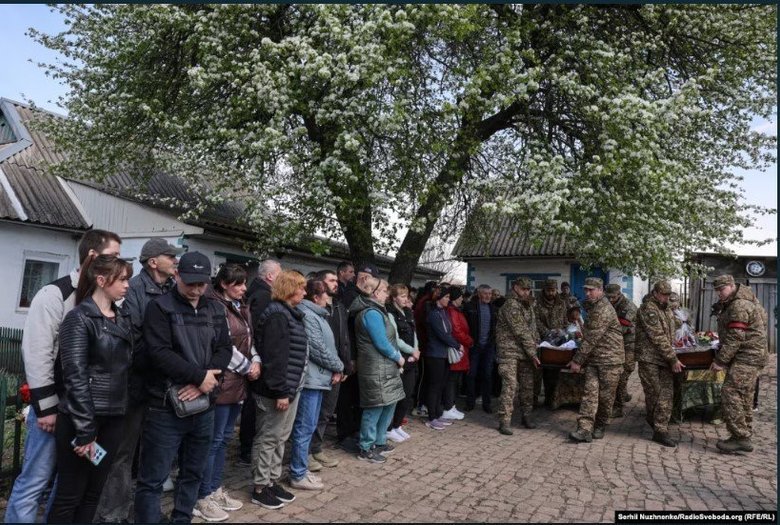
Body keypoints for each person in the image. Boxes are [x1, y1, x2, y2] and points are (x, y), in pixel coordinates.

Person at [6, 229, 121, 524]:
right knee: (36, 479)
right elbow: (37, 352)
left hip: (81, 413)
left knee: (66, 484)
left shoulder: (108, 303)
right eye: (114, 257)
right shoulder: (54, 294)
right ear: (93, 257)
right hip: (55, 410)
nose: (120, 266)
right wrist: (46, 407)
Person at [134, 252, 232, 523]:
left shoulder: (214, 309)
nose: (196, 290)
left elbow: (224, 348)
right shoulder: (160, 308)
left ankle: (182, 518)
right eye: (191, 283)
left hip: (204, 405)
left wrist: (204, 383)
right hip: (166, 406)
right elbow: (159, 352)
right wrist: (199, 377)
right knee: (153, 477)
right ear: (177, 275)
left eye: (202, 284)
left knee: (193, 472)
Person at [95, 238, 181, 523]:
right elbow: (130, 337)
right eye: (171, 255)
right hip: (134, 384)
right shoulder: (133, 290)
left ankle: (147, 513)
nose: (176, 260)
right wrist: (162, 349)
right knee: (122, 452)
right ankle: (113, 513)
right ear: (153, 261)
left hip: (162, 384)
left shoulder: (172, 289)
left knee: (155, 450)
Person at [46, 255, 133, 523]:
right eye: (122, 279)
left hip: (113, 417)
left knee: (93, 493)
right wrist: (85, 431)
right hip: (82, 419)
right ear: (101, 280)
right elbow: (75, 376)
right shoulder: (79, 318)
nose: (128, 285)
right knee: (70, 494)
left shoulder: (121, 318)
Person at [194, 264, 260, 522]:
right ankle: (203, 495)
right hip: (224, 381)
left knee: (222, 440)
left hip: (238, 383)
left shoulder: (240, 307)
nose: (244, 288)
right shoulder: (215, 307)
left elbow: (248, 339)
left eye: (244, 283)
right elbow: (222, 345)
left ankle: (214, 487)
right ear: (224, 284)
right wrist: (247, 367)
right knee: (212, 441)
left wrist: (256, 360)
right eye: (239, 284)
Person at [249, 270, 308, 510]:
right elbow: (274, 358)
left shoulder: (289, 314)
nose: (305, 292)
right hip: (275, 390)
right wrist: (280, 392)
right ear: (289, 289)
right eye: (301, 288)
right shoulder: (277, 315)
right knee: (268, 437)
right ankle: (259, 487)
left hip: (289, 388)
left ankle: (271, 480)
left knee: (280, 437)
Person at [290, 280, 344, 490]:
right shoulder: (308, 315)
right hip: (312, 379)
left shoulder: (317, 315)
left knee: (310, 426)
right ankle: (297, 473)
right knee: (304, 427)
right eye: (326, 294)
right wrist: (338, 366)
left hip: (320, 378)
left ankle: (301, 470)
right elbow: (317, 348)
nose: (329, 298)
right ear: (316, 297)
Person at [709, 275, 768, 453]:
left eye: (722, 289)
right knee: (744, 395)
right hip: (751, 355)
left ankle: (740, 437)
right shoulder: (745, 299)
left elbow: (735, 337)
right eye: (717, 290)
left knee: (730, 392)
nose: (719, 293)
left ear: (732, 286)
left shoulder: (739, 305)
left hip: (747, 356)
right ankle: (744, 434)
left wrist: (720, 361)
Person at [349, 277, 405, 462]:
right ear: (373, 293)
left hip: (385, 366)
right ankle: (366, 446)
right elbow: (381, 342)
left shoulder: (378, 311)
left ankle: (379, 441)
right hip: (376, 367)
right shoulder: (370, 313)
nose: (386, 294)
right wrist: (398, 357)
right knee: (375, 406)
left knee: (388, 404)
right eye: (383, 291)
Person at [567, 278, 625, 443]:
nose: (587, 293)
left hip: (610, 360)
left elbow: (591, 338)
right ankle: (584, 429)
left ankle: (600, 425)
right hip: (594, 359)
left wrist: (577, 360)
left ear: (600, 290)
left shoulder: (603, 309)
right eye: (586, 290)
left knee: (606, 397)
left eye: (591, 290)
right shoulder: (594, 306)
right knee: (589, 394)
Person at [240, 259, 282, 465]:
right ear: (270, 276)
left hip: (257, 357)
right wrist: (260, 358)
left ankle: (247, 447)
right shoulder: (264, 296)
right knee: (252, 406)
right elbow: (258, 330)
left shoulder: (258, 293)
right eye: (279, 274)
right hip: (257, 359)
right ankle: (247, 449)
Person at [309, 269, 352, 471]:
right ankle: (306, 452)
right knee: (311, 414)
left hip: (337, 368)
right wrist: (334, 365)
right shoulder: (314, 309)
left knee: (325, 413)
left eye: (336, 280)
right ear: (320, 284)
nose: (336, 283)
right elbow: (319, 345)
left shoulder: (339, 306)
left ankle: (316, 449)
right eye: (331, 280)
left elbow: (344, 339)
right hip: (320, 368)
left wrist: (345, 365)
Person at [336, 263, 379, 450]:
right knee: (346, 395)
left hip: (362, 352)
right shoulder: (348, 293)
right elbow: (346, 320)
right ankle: (344, 433)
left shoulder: (366, 296)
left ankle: (355, 429)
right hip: (349, 351)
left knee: (357, 395)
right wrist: (350, 356)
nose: (364, 280)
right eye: (361, 277)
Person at [635, 280, 681, 447]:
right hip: (649, 358)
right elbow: (658, 336)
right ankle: (655, 422)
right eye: (663, 294)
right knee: (655, 393)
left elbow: (671, 327)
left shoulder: (666, 308)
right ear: (655, 293)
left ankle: (660, 429)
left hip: (664, 358)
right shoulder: (648, 309)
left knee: (666, 394)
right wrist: (673, 358)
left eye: (668, 295)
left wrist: (680, 320)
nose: (666, 297)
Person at [495, 278, 539, 435]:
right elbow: (521, 331)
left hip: (525, 352)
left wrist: (539, 341)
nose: (526, 292)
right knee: (510, 386)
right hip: (509, 351)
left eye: (528, 289)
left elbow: (533, 328)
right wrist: (533, 352)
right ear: (515, 288)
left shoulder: (527, 305)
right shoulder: (511, 305)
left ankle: (526, 416)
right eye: (523, 289)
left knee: (527, 386)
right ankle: (504, 421)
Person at [423, 287, 463, 430]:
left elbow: (448, 332)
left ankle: (438, 414)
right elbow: (442, 334)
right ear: (438, 299)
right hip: (435, 354)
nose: (448, 300)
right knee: (434, 386)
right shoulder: (434, 314)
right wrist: (457, 345)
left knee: (441, 385)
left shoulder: (443, 312)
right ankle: (431, 417)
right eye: (445, 297)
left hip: (443, 354)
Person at [385, 284, 420, 442]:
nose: (406, 299)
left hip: (412, 357)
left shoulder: (408, 312)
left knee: (407, 393)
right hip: (400, 357)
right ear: (394, 298)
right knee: (397, 395)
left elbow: (414, 334)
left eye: (406, 295)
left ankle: (398, 424)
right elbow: (395, 339)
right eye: (402, 296)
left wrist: (416, 350)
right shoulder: (390, 314)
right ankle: (389, 427)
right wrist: (411, 350)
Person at [605, 284, 638, 419]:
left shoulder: (628, 306)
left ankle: (618, 407)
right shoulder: (607, 304)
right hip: (615, 343)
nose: (611, 299)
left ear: (619, 294)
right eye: (609, 297)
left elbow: (622, 328)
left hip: (629, 344)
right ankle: (623, 395)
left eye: (613, 297)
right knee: (616, 373)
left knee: (623, 373)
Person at [463, 284, 498, 413]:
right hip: (474, 346)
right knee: (471, 375)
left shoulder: (494, 309)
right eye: (485, 293)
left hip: (488, 347)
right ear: (479, 294)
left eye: (490, 293)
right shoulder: (469, 307)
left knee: (487, 375)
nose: (488, 296)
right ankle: (470, 402)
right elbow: (464, 326)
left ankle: (486, 403)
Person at [536, 279, 568, 408]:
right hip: (543, 341)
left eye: (553, 290)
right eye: (549, 290)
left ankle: (552, 399)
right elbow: (536, 321)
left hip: (558, 341)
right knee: (543, 371)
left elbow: (565, 320)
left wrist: (563, 331)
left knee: (556, 371)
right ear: (544, 290)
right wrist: (547, 332)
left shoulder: (561, 303)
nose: (551, 293)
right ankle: (537, 399)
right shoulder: (537, 303)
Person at [443, 287, 472, 420]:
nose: (462, 299)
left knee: (454, 380)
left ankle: (451, 405)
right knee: (451, 380)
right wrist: (469, 340)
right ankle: (448, 406)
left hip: (460, 348)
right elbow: (457, 330)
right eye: (460, 297)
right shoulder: (452, 311)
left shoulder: (454, 310)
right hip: (457, 348)